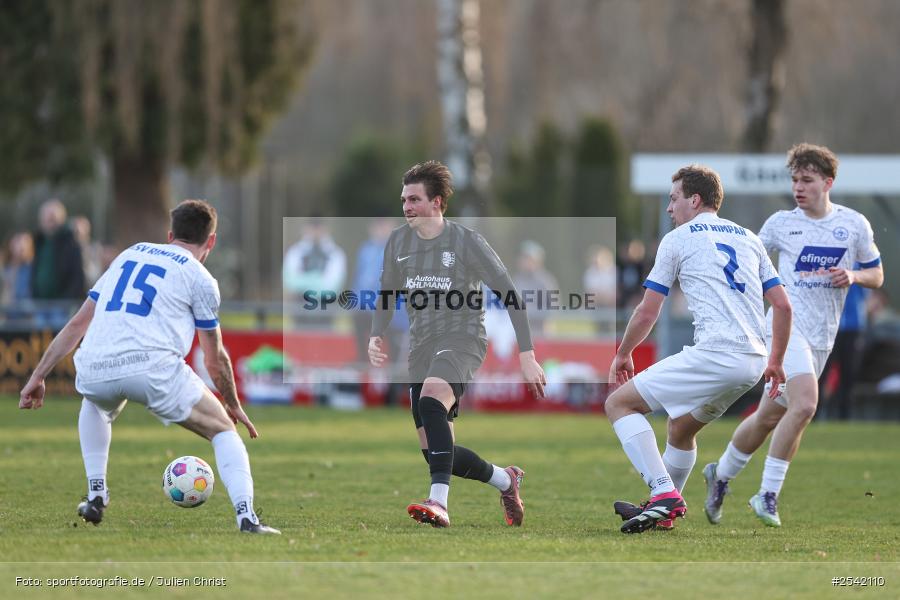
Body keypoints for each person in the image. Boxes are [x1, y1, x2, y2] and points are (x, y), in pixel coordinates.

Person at [19, 199, 280, 534]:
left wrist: (37, 376)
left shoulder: (130, 253)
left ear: (170, 234)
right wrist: (232, 404)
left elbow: (77, 325)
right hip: (153, 369)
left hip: (96, 364)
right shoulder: (200, 278)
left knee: (96, 404)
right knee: (223, 430)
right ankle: (247, 518)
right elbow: (215, 360)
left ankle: (96, 496)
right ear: (211, 241)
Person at [703, 143, 883, 527]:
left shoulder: (853, 225)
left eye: (807, 180)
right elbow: (747, 267)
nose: (798, 187)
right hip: (786, 327)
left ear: (828, 182)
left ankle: (719, 476)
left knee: (769, 417)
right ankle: (767, 495)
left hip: (823, 337)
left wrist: (853, 275)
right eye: (794, 180)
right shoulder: (781, 224)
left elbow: (877, 273)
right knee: (805, 405)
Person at [606, 164, 792, 534]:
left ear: (695, 199)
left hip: (717, 354)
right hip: (753, 363)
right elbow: (783, 305)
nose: (668, 208)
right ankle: (666, 509)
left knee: (618, 403)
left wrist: (623, 352)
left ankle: (663, 494)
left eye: (673, 199)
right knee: (680, 430)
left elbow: (647, 310)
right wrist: (775, 361)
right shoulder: (749, 237)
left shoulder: (677, 239)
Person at [368, 160, 546, 528]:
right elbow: (387, 293)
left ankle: (438, 502)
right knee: (434, 450)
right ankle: (505, 479)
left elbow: (511, 295)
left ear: (437, 203)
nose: (406, 207)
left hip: (463, 339)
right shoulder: (398, 241)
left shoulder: (467, 242)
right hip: (421, 346)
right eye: (403, 199)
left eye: (414, 199)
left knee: (433, 398)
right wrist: (376, 332)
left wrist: (526, 354)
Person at [282, 216, 347, 329]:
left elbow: (333, 287)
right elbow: (290, 283)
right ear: (305, 229)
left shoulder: (336, 253)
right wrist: (317, 278)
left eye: (318, 228)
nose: (315, 232)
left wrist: (304, 282)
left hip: (326, 312)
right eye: (313, 228)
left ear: (325, 230)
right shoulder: (295, 252)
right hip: (299, 313)